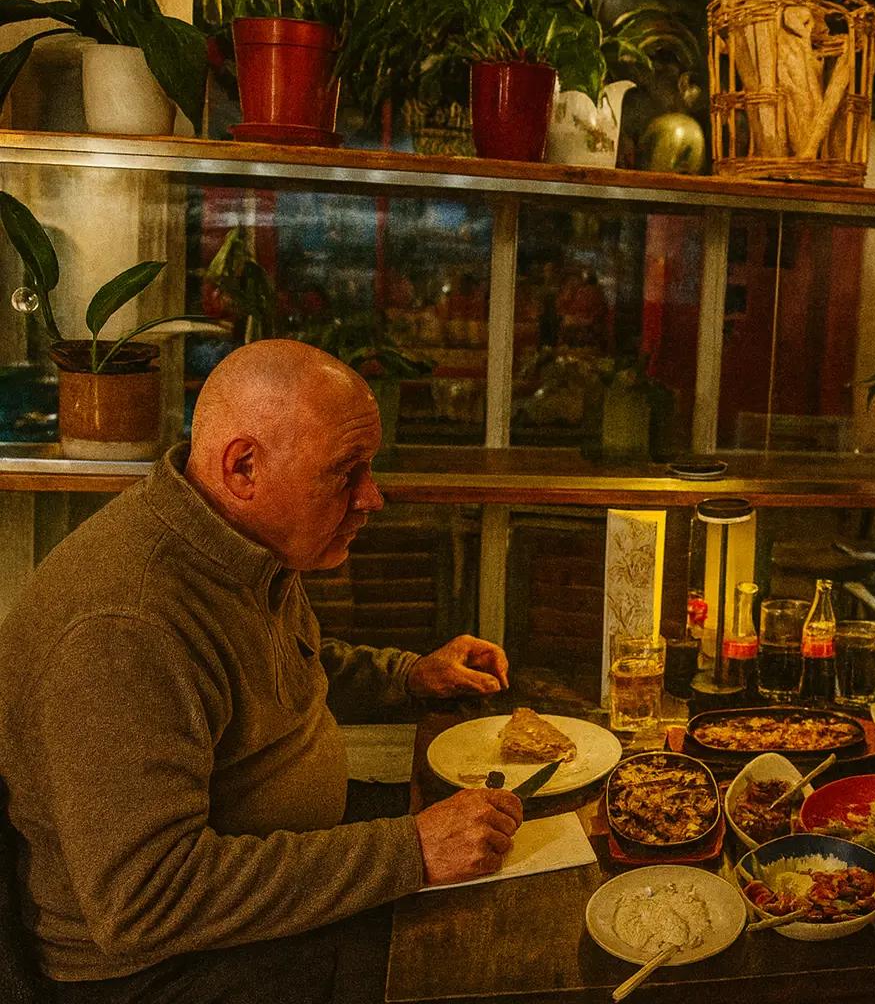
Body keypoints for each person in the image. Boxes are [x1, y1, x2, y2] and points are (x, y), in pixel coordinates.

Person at [0, 340, 526, 1002]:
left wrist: (408, 676)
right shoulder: (126, 627)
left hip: (268, 869)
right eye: (347, 472)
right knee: (477, 967)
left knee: (511, 860)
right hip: (153, 971)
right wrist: (411, 852)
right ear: (243, 466)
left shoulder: (234, 543)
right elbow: (145, 900)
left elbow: (265, 671)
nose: (374, 497)